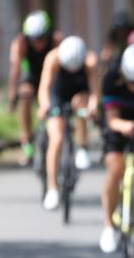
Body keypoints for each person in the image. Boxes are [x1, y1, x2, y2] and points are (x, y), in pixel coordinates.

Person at [99, 43, 134, 253]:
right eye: (133, 83)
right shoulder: (111, 79)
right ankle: (108, 225)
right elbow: (111, 120)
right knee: (115, 170)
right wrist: (128, 126)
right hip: (118, 125)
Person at [37, 36, 99, 211]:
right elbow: (44, 87)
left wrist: (93, 107)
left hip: (79, 92)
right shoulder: (53, 58)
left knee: (81, 106)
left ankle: (83, 146)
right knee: (56, 139)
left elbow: (95, 91)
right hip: (58, 92)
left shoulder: (90, 61)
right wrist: (44, 106)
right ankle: (52, 188)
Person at [8, 11, 63, 166]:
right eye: (34, 39)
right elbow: (16, 70)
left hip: (52, 76)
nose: (39, 43)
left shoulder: (57, 40)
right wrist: (12, 94)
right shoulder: (20, 43)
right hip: (32, 76)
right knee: (24, 94)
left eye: (42, 38)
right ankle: (27, 142)